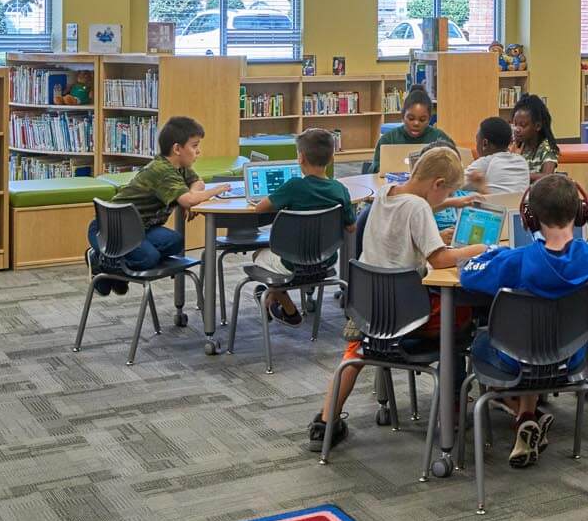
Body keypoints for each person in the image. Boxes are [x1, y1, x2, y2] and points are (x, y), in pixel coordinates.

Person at [314, 146, 489, 452]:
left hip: (369, 311)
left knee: (353, 355)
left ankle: (325, 423)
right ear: (437, 184)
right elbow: (441, 258)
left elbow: (412, 209)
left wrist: (447, 210)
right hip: (411, 316)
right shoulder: (419, 209)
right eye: (445, 191)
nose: (443, 198)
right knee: (463, 315)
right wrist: (478, 249)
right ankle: (453, 405)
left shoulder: (385, 193)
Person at [460, 173, 588, 468]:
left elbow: (468, 274)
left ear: (529, 218)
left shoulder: (515, 261)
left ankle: (514, 410)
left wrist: (493, 252)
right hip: (568, 359)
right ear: (581, 214)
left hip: (514, 361)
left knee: (484, 336)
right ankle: (527, 415)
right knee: (540, 338)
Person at [89, 115, 229, 292]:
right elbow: (189, 199)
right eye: (194, 146)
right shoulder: (163, 171)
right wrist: (216, 190)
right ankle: (101, 259)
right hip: (110, 230)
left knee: (176, 242)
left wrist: (192, 194)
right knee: (149, 258)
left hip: (140, 228)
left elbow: (197, 182)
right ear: (177, 149)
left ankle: (118, 262)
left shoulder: (179, 167)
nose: (198, 151)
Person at [246, 127, 355, 327]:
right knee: (277, 257)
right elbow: (350, 228)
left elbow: (260, 208)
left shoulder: (294, 186)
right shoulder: (341, 190)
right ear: (331, 158)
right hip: (325, 261)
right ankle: (272, 299)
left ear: (301, 158)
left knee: (259, 254)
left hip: (291, 264)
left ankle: (286, 307)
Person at [464, 115, 530, 195]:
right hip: (519, 207)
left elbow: (455, 183)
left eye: (477, 140)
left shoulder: (485, 162)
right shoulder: (522, 161)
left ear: (485, 143)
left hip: (493, 206)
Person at [378, 87, 454, 149]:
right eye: (411, 118)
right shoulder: (388, 140)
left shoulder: (440, 138)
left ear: (429, 119)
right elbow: (377, 166)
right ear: (403, 116)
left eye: (422, 120)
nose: (416, 123)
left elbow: (455, 163)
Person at [509, 94, 560, 176]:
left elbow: (547, 176)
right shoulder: (518, 146)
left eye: (523, 125)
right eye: (515, 124)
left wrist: (520, 176)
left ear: (537, 126)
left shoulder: (547, 148)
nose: (517, 129)